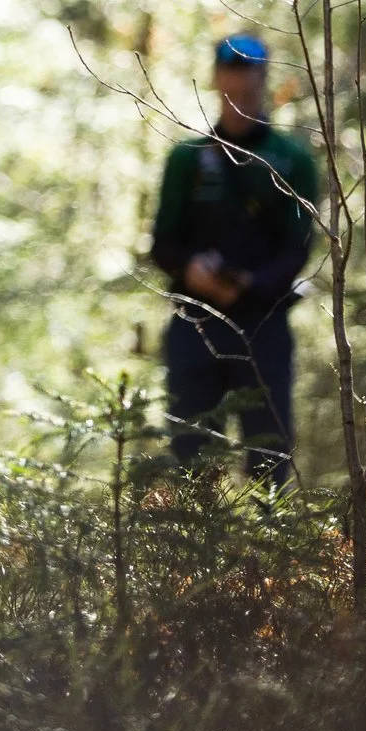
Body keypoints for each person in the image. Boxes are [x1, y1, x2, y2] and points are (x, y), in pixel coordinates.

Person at [147, 33, 320, 483]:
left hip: (264, 326)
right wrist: (193, 272)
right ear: (216, 77)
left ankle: (271, 546)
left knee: (269, 455)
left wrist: (250, 284)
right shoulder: (186, 159)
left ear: (264, 77)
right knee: (191, 453)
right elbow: (162, 242)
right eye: (231, 69)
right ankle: (191, 554)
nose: (240, 81)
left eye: (249, 70)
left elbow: (298, 247)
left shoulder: (292, 160)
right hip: (195, 323)